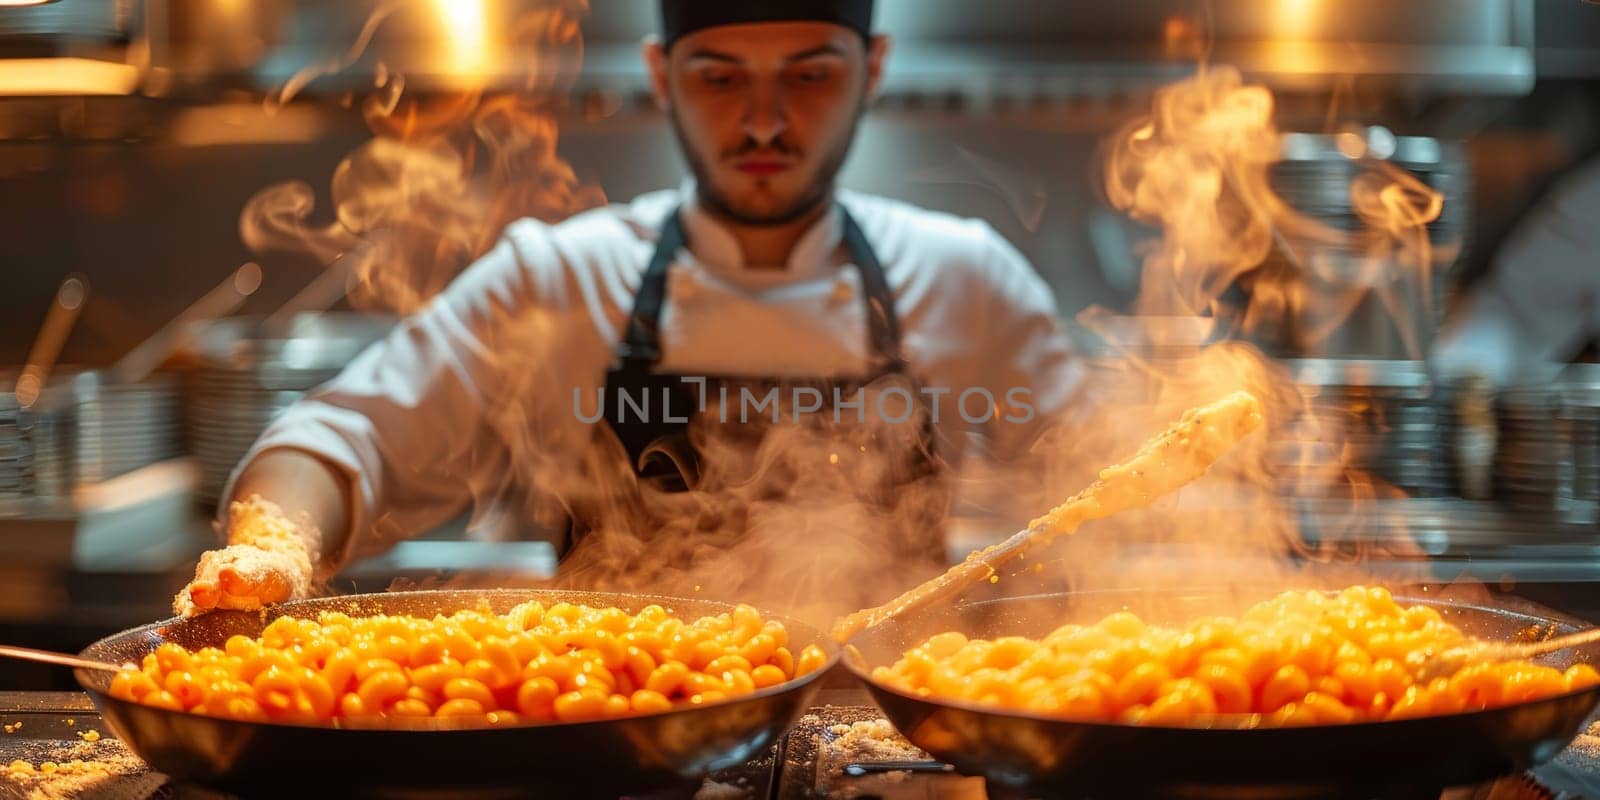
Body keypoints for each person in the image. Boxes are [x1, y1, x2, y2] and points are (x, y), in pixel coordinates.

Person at [175, 0, 1087, 617]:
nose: (764, 121)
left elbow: (1106, 481)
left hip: (886, 753)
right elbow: (340, 442)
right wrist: (274, 554)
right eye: (719, 78)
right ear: (660, 73)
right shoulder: (560, 278)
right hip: (619, 743)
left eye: (809, 77)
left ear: (874, 68)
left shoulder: (968, 276)